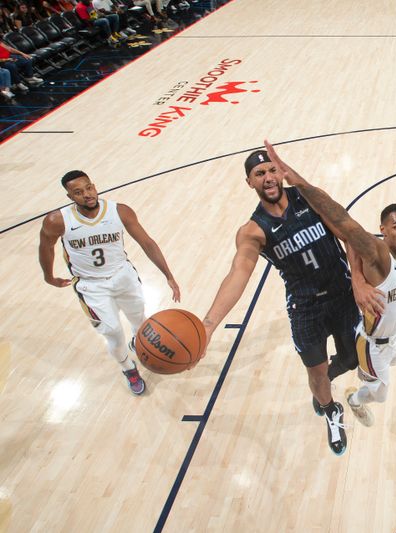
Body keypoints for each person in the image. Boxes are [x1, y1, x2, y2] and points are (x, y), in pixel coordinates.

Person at [201, 146, 363, 456]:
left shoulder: (310, 199)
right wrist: (208, 325)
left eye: (272, 170)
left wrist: (357, 280)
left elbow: (348, 232)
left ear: (282, 171)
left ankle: (325, 382)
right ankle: (330, 409)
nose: (268, 177)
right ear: (249, 182)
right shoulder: (252, 231)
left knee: (351, 360)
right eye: (259, 174)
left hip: (342, 295)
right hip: (305, 308)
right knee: (315, 373)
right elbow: (238, 273)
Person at [261, 141, 396, 428]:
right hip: (375, 344)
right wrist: (293, 178)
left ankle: (352, 376)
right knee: (380, 392)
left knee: (394, 361)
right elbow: (343, 221)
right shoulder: (378, 254)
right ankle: (350, 398)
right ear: (382, 230)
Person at [38, 170, 181, 395]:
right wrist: (48, 276)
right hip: (91, 286)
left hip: (123, 275)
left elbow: (147, 243)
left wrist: (168, 275)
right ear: (70, 197)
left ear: (94, 186)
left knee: (140, 320)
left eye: (89, 188)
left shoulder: (119, 211)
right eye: (78, 192)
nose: (87, 195)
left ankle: (139, 342)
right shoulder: (57, 220)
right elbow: (45, 246)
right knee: (112, 331)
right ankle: (128, 368)